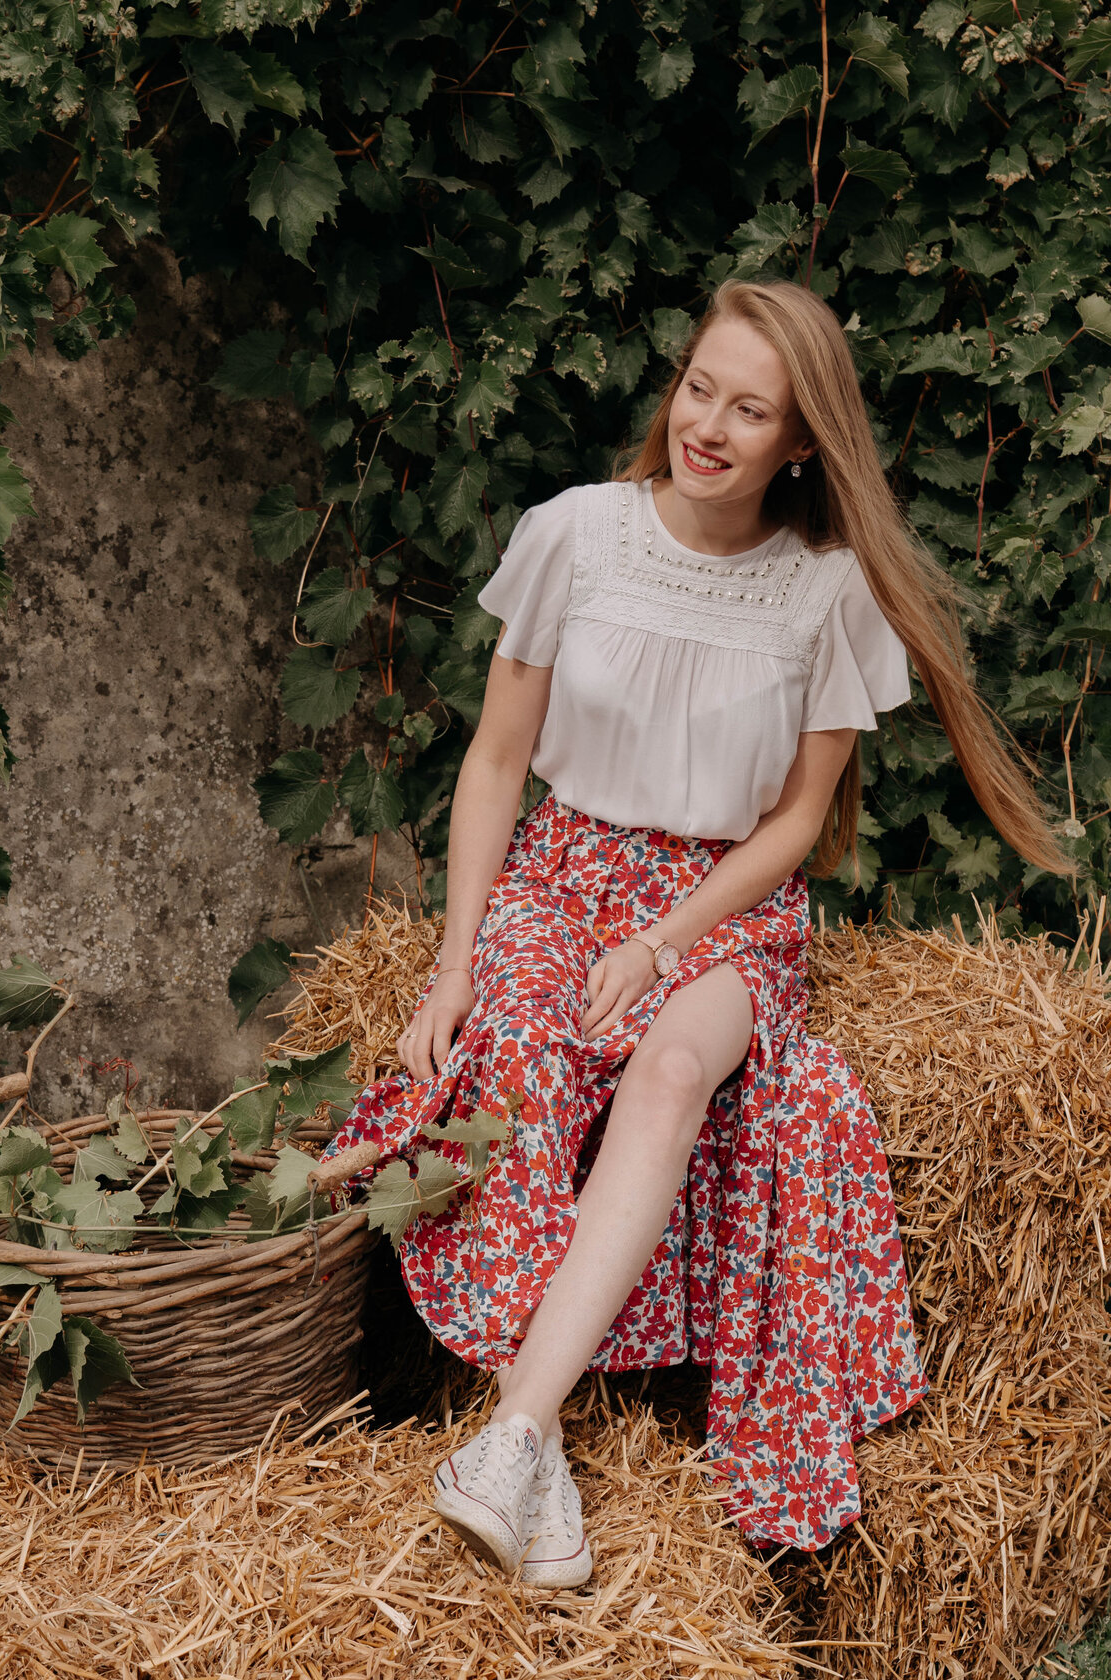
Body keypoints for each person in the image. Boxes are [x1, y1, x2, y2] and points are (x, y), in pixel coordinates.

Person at [320, 276, 1075, 1588]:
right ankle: (532, 1437)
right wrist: (455, 965)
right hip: (561, 876)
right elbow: (498, 763)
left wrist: (667, 942)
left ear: (802, 442)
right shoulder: (575, 536)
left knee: (674, 1068)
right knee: (523, 1047)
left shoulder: (825, 592)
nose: (711, 427)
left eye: (753, 410)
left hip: (729, 912)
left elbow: (793, 825)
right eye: (700, 390)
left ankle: (511, 1439)